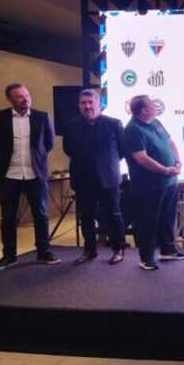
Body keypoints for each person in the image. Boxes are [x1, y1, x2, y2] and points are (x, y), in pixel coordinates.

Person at [0, 83, 60, 271]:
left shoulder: (42, 117)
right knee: (8, 217)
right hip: (9, 175)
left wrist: (36, 160)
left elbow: (49, 144)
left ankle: (43, 251)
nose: (25, 99)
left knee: (41, 214)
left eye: (27, 95)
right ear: (10, 99)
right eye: (20, 96)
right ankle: (9, 256)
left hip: (35, 175)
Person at [123, 95, 184, 270]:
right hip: (148, 185)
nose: (155, 106)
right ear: (143, 110)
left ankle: (168, 250)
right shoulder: (133, 130)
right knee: (148, 221)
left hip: (169, 182)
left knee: (167, 217)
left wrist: (177, 162)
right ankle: (146, 258)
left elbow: (170, 142)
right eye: (152, 104)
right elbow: (141, 158)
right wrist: (165, 170)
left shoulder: (156, 122)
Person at [63, 89, 126, 265]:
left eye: (91, 102)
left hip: (108, 178)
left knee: (113, 215)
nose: (87, 106)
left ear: (99, 104)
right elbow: (67, 149)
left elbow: (122, 150)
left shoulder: (114, 124)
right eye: (83, 103)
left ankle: (118, 249)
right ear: (79, 105)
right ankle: (89, 250)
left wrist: (107, 163)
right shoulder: (71, 125)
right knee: (86, 217)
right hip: (83, 179)